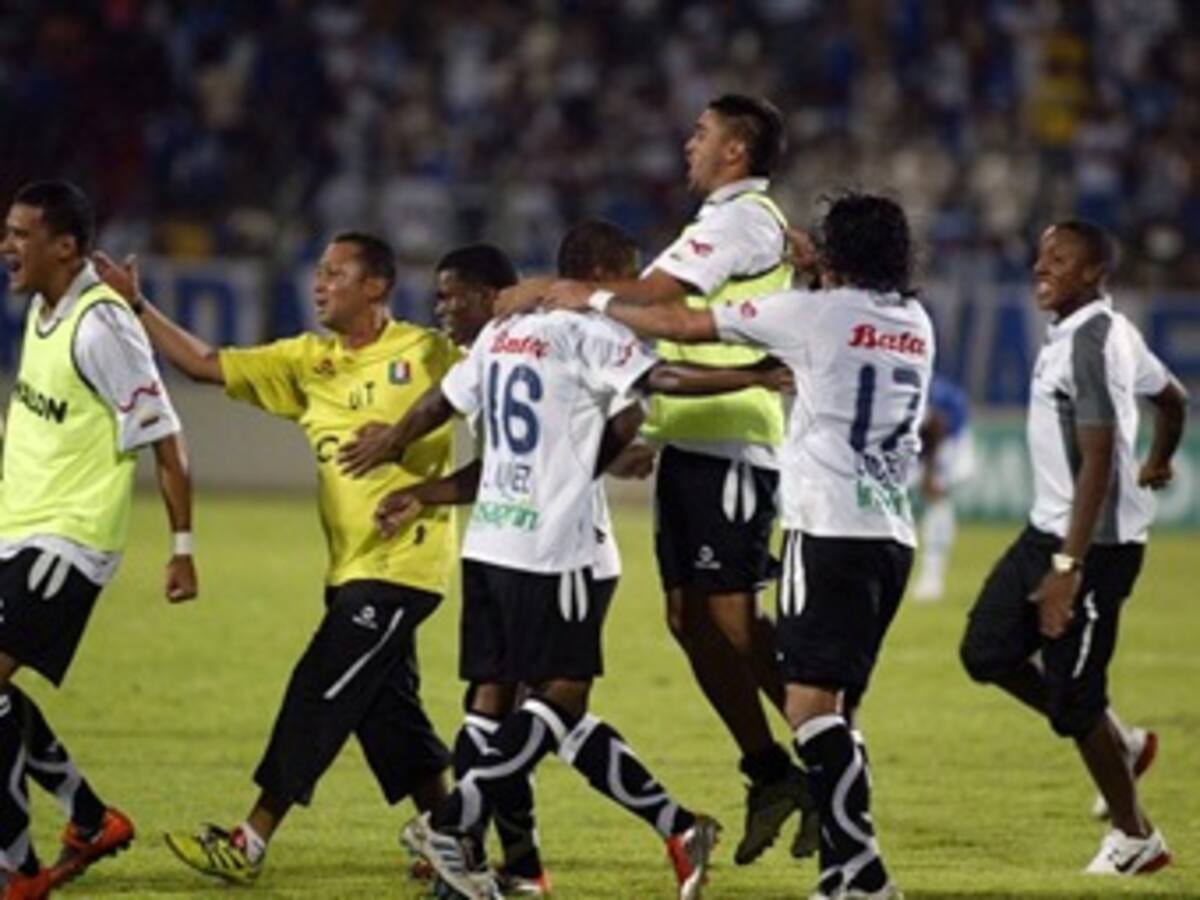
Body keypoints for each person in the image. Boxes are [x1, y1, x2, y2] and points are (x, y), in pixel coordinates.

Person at [544, 192, 930, 898]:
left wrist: (586, 297)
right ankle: (846, 869)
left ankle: (862, 870)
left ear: (834, 255)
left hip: (827, 527)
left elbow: (675, 322)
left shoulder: (812, 312)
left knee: (813, 711)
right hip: (890, 533)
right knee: (818, 699)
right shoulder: (914, 322)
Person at [379, 225, 775, 898]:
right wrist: (753, 374)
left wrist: (398, 456)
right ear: (600, 272)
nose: (637, 291)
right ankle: (503, 852)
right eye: (626, 274)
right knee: (531, 711)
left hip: (532, 547)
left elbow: (449, 411)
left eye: (451, 297)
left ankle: (501, 858)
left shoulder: (511, 339)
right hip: (542, 547)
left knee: (516, 708)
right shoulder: (570, 330)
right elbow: (653, 384)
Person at [498, 94, 814, 864]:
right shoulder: (725, 224)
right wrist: (649, 427)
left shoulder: (740, 220)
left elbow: (658, 301)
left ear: (735, 151)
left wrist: (561, 288)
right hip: (694, 442)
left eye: (702, 133)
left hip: (736, 440)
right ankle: (771, 770)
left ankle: (832, 755)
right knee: (688, 621)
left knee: (735, 621)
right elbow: (667, 318)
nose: (687, 142)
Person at [92, 232, 460, 884]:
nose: (319, 284)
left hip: (404, 568)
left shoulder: (428, 352)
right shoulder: (306, 360)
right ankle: (453, 836)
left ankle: (250, 840)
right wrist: (139, 305)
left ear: (375, 286)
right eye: (318, 272)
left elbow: (495, 388)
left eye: (336, 273)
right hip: (349, 567)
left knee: (319, 689)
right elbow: (206, 363)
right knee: (387, 714)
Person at [959, 220, 1185, 875]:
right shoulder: (1110, 332)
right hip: (1046, 529)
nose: (1041, 267)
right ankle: (1123, 740)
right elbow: (1174, 401)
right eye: (1040, 257)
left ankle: (1136, 836)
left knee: (1074, 699)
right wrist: (1162, 461)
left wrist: (1067, 566)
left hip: (1095, 545)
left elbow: (1098, 456)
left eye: (1058, 259)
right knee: (986, 651)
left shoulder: (1091, 342)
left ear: (1094, 274)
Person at [0, 179, 198, 900]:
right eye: (7, 232)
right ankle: (88, 820)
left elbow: (167, 438)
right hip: (17, 531)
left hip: (68, 540)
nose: (7, 247)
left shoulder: (99, 326)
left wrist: (182, 548)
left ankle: (17, 870)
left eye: (22, 235)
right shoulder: (45, 308)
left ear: (67, 247)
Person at [910, 373, 975, 602]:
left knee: (938, 500)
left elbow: (937, 424)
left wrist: (930, 471)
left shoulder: (934, 393)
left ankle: (932, 577)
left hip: (949, 443)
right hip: (915, 446)